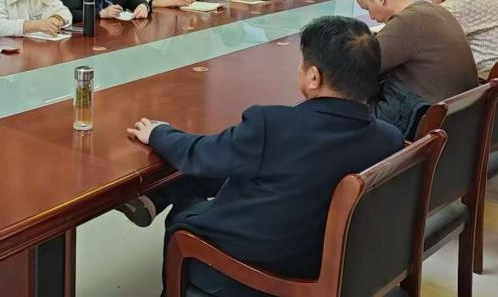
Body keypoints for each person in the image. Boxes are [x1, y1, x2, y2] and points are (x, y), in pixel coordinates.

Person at [120, 16, 403, 297]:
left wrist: (159, 133)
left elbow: (201, 155)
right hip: (334, 260)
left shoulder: (273, 125)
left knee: (186, 210)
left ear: (313, 77)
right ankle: (154, 199)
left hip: (259, 271)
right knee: (234, 163)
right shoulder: (390, 139)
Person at [351, 0, 477, 137]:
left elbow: (360, 67)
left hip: (428, 125)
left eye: (368, 8)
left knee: (344, 109)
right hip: (460, 120)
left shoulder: (406, 21)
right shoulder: (435, 10)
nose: (371, 17)